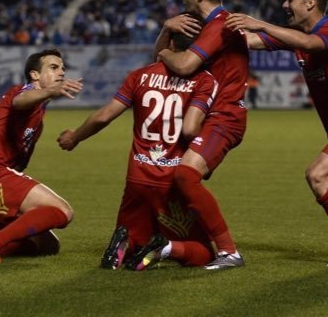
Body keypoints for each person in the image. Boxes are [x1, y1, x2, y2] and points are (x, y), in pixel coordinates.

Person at [226, 0, 328, 267]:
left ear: (311, 2)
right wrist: (209, 29)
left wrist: (261, 22)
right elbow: (251, 41)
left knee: (317, 175)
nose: (284, 4)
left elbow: (311, 43)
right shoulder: (296, 39)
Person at [57, 29, 219, 270]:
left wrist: (75, 137)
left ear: (171, 43)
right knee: (204, 252)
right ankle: (166, 247)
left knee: (137, 237)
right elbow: (190, 129)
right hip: (173, 180)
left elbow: (104, 116)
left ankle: (125, 242)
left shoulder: (140, 75)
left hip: (138, 177)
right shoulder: (205, 80)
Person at [155, 0, 249, 269]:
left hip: (224, 116)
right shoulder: (208, 23)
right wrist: (167, 29)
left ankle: (228, 252)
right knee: (174, 176)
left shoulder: (219, 24)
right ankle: (180, 244)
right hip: (210, 114)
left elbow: (182, 65)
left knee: (184, 175)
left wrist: (165, 52)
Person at [0, 49, 83, 263]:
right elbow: (21, 100)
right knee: (62, 210)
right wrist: (51, 91)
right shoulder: (22, 93)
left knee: (46, 245)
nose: (61, 72)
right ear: (35, 75)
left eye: (62, 68)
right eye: (53, 67)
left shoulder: (37, 119)